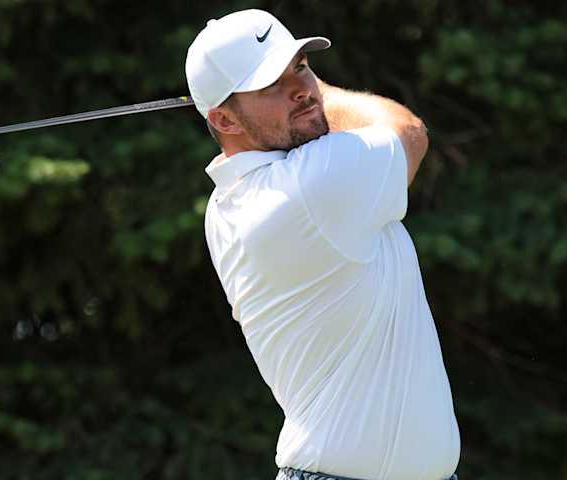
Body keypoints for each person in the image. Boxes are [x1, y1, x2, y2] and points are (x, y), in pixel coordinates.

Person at [185, 9, 460, 480]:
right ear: (223, 119)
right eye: (269, 82)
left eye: (300, 66)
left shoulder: (227, 203)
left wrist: (292, 96)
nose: (300, 87)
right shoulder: (306, 190)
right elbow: (407, 131)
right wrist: (318, 95)